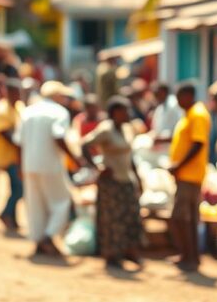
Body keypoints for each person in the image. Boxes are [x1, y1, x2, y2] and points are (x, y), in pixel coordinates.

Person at [17, 81, 84, 257]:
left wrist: (20, 165)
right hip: (51, 165)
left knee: (35, 203)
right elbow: (59, 136)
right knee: (62, 201)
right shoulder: (59, 112)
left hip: (29, 164)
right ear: (57, 96)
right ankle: (47, 237)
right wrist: (74, 157)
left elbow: (19, 141)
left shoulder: (28, 111)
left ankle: (39, 240)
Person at [82, 96, 145, 270]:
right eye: (124, 111)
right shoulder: (106, 130)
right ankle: (112, 255)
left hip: (126, 180)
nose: (128, 114)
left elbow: (129, 155)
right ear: (115, 113)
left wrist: (137, 177)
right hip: (112, 182)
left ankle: (129, 251)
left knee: (131, 216)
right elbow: (85, 145)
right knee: (113, 220)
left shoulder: (127, 129)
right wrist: (97, 167)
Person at [168, 82, 210, 272]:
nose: (177, 101)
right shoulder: (189, 115)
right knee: (189, 218)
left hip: (190, 175)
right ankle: (190, 256)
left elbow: (198, 143)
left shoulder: (198, 114)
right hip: (186, 174)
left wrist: (179, 165)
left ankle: (189, 256)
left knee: (180, 217)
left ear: (188, 95)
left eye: (179, 97)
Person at [0, 79, 25, 232]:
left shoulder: (19, 107)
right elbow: (5, 133)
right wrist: (21, 143)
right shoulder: (2, 109)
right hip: (7, 155)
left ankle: (12, 218)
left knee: (15, 187)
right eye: (15, 92)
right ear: (8, 92)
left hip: (17, 155)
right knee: (19, 188)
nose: (17, 95)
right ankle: (5, 214)